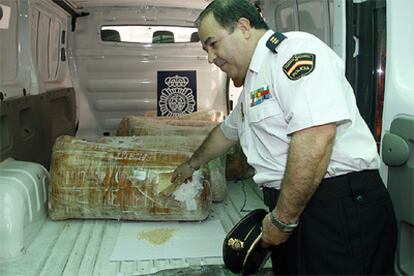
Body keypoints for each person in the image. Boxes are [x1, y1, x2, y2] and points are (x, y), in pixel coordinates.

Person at [171, 0, 397, 274]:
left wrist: (282, 219)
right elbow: (226, 132)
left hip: (336, 211)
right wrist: (191, 164)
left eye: (213, 44)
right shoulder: (254, 82)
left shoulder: (293, 53)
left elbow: (315, 136)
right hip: (297, 208)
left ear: (243, 27)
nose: (210, 57)